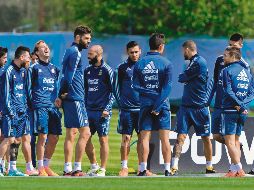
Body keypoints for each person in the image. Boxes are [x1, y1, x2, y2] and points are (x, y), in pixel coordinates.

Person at [206, 33, 251, 173]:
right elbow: (214, 82)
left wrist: (241, 104)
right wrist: (208, 100)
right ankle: (236, 157)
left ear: (240, 46)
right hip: (219, 104)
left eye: (234, 45)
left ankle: (235, 168)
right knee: (217, 136)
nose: (230, 47)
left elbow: (241, 89)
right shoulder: (221, 60)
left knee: (231, 138)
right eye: (230, 44)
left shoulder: (244, 66)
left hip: (232, 106)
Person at [170, 40, 215, 175]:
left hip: (200, 108)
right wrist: (186, 77)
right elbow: (184, 77)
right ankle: (174, 167)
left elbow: (182, 78)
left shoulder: (199, 62)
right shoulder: (193, 62)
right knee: (180, 137)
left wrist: (186, 77)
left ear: (188, 49)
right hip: (186, 107)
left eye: (183, 51)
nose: (183, 53)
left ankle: (209, 167)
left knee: (206, 138)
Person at [133, 33, 173, 176]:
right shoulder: (167, 63)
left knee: (144, 138)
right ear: (161, 46)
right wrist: (157, 104)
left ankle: (143, 169)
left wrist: (148, 93)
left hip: (145, 104)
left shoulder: (140, 63)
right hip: (162, 105)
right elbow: (167, 88)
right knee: (165, 139)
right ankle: (168, 170)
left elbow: (135, 86)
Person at [55, 25, 92, 176]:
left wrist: (60, 94)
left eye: (90, 39)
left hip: (70, 97)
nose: (88, 42)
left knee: (71, 133)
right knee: (86, 132)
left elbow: (64, 74)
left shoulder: (69, 51)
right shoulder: (75, 52)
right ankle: (77, 168)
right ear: (78, 37)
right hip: (75, 97)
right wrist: (63, 92)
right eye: (86, 38)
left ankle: (67, 168)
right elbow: (68, 75)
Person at [113, 41, 149, 176]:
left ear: (140, 51)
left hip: (142, 110)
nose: (134, 55)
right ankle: (124, 167)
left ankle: (142, 168)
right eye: (131, 52)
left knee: (142, 139)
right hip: (127, 110)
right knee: (126, 138)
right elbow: (115, 88)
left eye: (136, 52)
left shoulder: (146, 67)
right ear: (127, 53)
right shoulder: (122, 68)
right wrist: (121, 103)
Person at [27, 40, 62, 176]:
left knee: (55, 136)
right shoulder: (34, 68)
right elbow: (28, 88)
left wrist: (59, 98)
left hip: (53, 108)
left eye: (47, 47)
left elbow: (57, 87)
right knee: (42, 136)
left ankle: (46, 165)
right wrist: (34, 103)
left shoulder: (54, 68)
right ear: (37, 53)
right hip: (40, 106)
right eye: (42, 48)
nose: (46, 49)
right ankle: (40, 166)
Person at [0, 46, 36, 176]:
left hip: (22, 111)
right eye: (27, 57)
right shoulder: (8, 71)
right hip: (11, 112)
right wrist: (10, 111)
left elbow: (25, 91)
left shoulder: (24, 71)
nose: (29, 59)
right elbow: (6, 94)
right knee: (9, 139)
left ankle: (13, 168)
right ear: (21, 57)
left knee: (18, 140)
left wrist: (26, 108)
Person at [220, 46, 253, 177]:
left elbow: (228, 91)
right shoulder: (247, 72)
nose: (223, 58)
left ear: (233, 56)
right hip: (243, 111)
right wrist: (243, 105)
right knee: (236, 141)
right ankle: (234, 170)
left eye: (225, 55)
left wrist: (238, 104)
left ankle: (239, 168)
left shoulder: (226, 70)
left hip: (230, 109)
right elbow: (252, 92)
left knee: (229, 141)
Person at [84, 45, 114, 177]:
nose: (88, 56)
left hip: (102, 111)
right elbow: (85, 91)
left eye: (90, 54)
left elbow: (114, 92)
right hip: (88, 110)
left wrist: (107, 109)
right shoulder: (87, 70)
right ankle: (94, 166)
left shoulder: (108, 70)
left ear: (99, 54)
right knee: (85, 138)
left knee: (103, 140)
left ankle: (102, 169)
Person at [0, 47, 8, 175]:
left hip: (4, 109)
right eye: (4, 58)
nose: (6, 60)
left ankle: (5, 166)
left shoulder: (4, 71)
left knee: (6, 137)